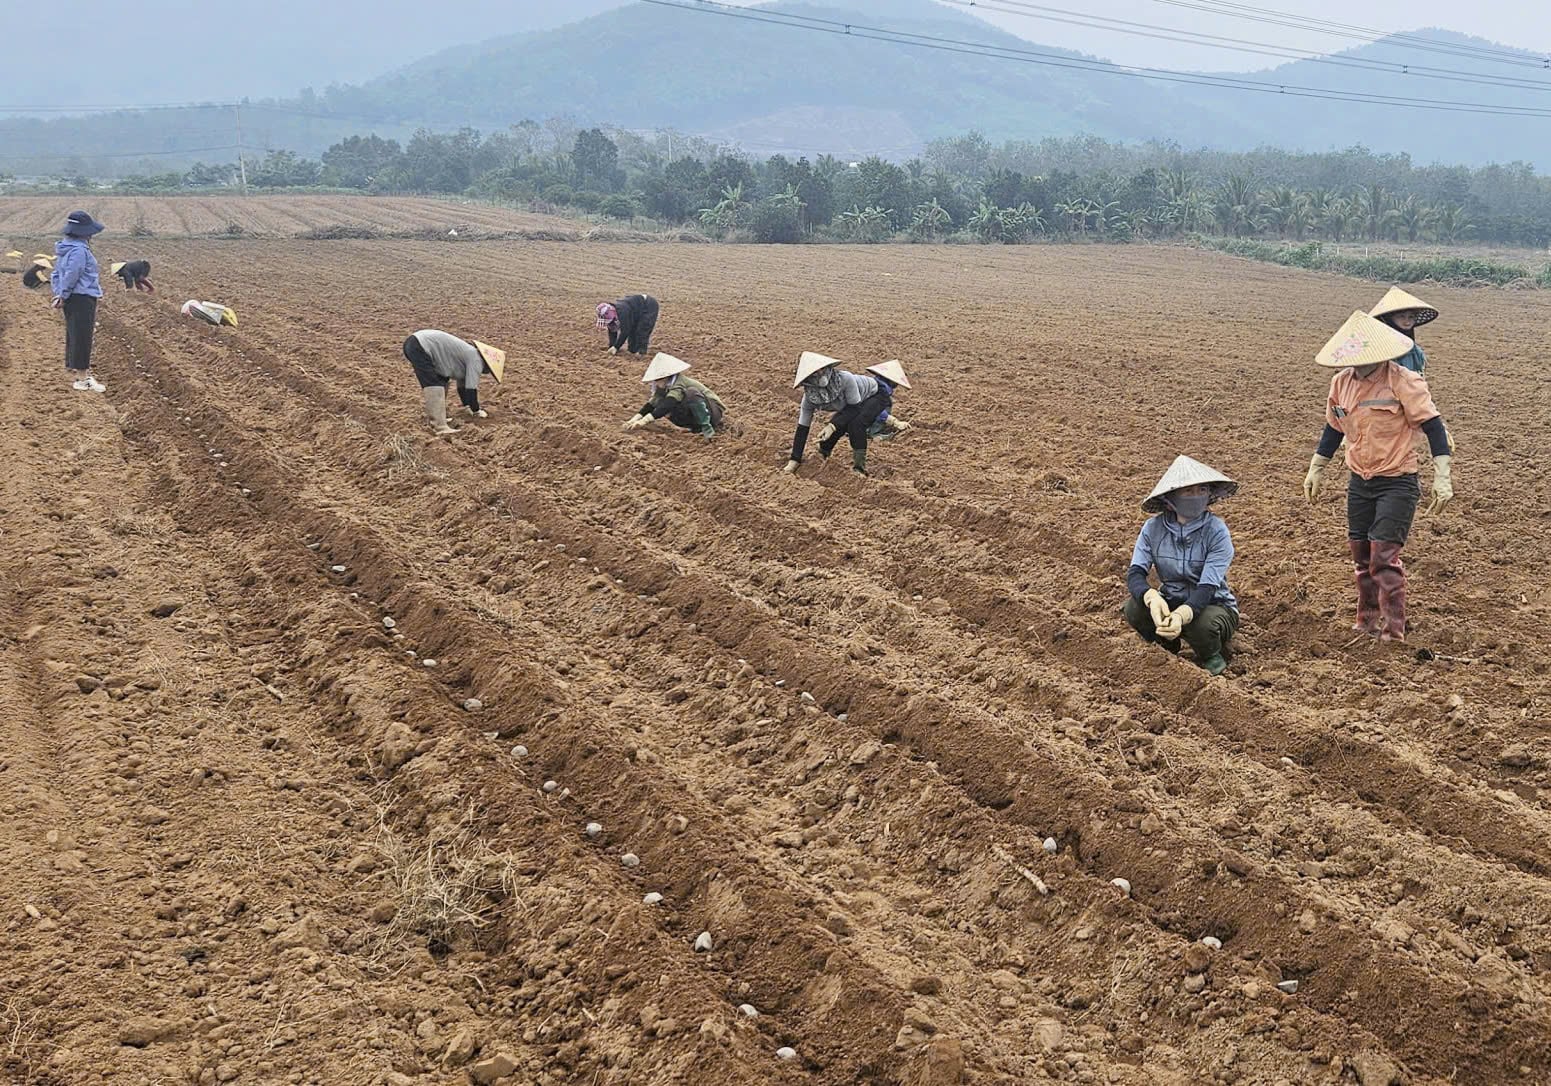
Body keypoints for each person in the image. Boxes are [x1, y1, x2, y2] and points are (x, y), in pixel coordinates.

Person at [1303, 311, 1454, 642]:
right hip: (1360, 480)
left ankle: (1392, 630)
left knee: (1383, 558)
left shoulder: (1403, 380)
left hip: (1397, 481)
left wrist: (1442, 477)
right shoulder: (1341, 383)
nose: (1355, 364)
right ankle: (1366, 621)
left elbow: (1433, 428)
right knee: (1361, 555)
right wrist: (1317, 467)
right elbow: (1334, 427)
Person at [1123, 455, 1240, 676]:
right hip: (1172, 597)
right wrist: (1152, 597)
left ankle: (1212, 654)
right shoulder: (1152, 529)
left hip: (1213, 604)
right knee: (1134, 609)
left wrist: (1181, 616)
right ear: (1170, 499)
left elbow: (1208, 587)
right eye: (1188, 491)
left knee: (1200, 626)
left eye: (1202, 490)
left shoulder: (1216, 532)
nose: (1196, 496)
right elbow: (1136, 573)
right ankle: (1166, 645)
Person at [782, 353, 905, 477]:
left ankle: (859, 468)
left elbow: (855, 408)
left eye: (821, 370)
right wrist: (794, 460)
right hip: (853, 403)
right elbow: (802, 428)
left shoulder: (845, 379)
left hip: (876, 394)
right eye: (814, 373)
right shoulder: (809, 399)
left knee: (855, 425)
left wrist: (832, 426)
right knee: (838, 423)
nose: (819, 374)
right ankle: (822, 453)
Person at [402, 330, 505, 435]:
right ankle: (440, 427)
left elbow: (462, 387)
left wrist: (467, 407)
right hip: (421, 345)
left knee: (442, 381)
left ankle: (438, 418)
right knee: (434, 384)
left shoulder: (469, 355)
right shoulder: (477, 360)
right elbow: (471, 389)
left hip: (415, 343)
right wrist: (476, 411)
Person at [50, 211, 106, 393]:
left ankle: (76, 373)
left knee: (74, 333)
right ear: (82, 232)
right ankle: (82, 379)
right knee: (82, 336)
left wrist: (60, 294)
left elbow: (57, 274)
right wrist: (63, 295)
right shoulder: (80, 251)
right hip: (82, 297)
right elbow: (73, 274)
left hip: (73, 297)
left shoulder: (64, 248)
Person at [622, 352, 727, 440]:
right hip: (700, 410)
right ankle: (695, 427)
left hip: (714, 411)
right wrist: (634, 420)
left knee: (690, 393)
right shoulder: (663, 387)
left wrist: (644, 421)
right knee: (661, 403)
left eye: (658, 380)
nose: (656, 383)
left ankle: (706, 427)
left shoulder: (679, 382)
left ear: (666, 377)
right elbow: (652, 403)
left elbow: (670, 402)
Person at [1369, 286, 1436, 376]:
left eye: (1411, 317)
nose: (1407, 322)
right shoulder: (1379, 350)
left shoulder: (1416, 352)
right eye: (1401, 316)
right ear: (1389, 319)